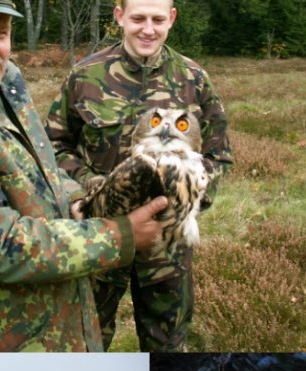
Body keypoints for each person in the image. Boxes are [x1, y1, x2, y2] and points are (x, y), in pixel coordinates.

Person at [0, 0, 169, 352]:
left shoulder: (6, 84)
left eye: (0, 33)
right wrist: (120, 236)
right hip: (9, 339)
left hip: (60, 321)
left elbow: (41, 165)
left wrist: (76, 198)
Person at [46, 0, 233, 351]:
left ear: (172, 19)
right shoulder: (85, 76)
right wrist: (86, 191)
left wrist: (187, 199)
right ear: (119, 17)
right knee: (86, 340)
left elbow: (219, 155)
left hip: (167, 241)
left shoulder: (193, 78)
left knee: (167, 344)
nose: (148, 29)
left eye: (158, 19)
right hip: (101, 233)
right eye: (138, 18)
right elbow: (54, 146)